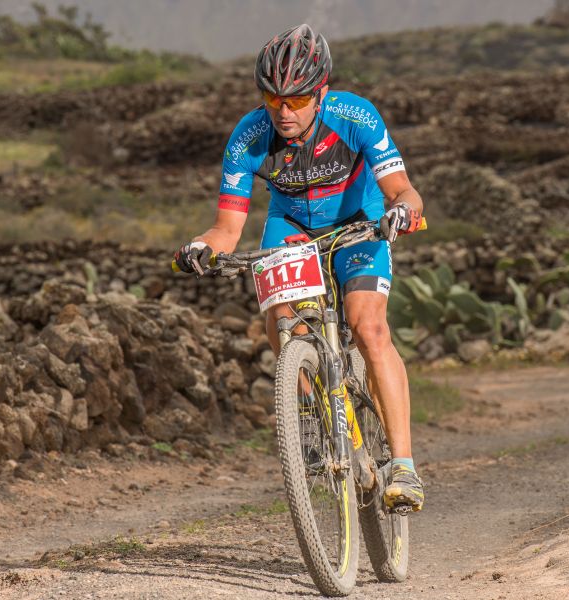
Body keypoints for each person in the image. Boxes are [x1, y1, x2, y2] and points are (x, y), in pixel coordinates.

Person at [174, 24, 425, 511]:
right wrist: (199, 247)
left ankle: (404, 467)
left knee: (369, 327)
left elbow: (402, 190)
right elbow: (225, 230)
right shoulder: (248, 136)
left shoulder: (355, 115)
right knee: (282, 318)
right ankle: (310, 410)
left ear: (321, 92)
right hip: (289, 223)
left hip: (360, 220)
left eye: (296, 100)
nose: (283, 112)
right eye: (272, 99)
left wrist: (402, 211)